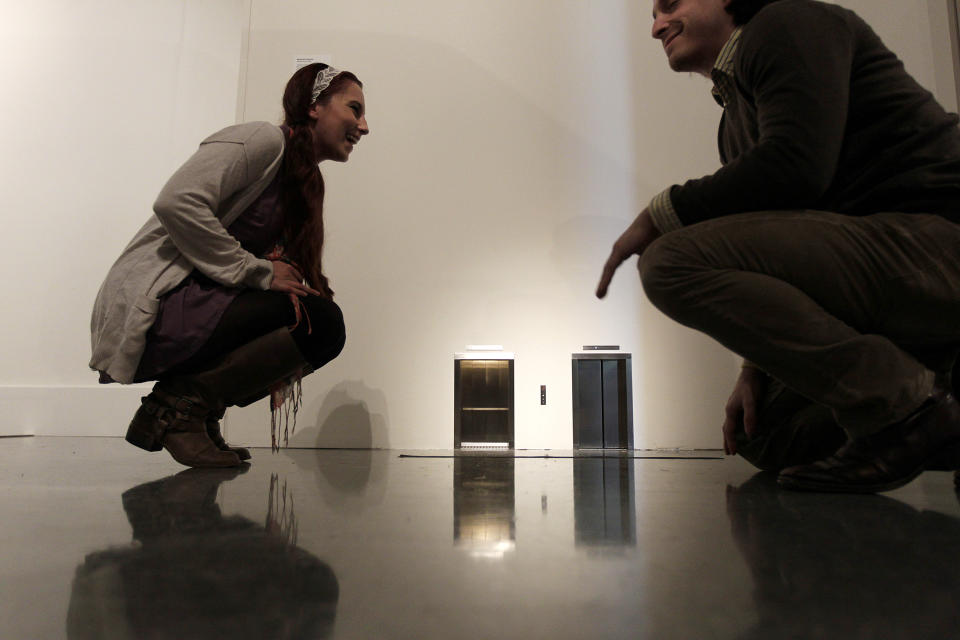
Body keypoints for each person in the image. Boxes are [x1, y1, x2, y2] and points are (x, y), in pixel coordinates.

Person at [596, 0, 960, 493]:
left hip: (936, 245)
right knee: (764, 434)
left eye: (669, 5)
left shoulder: (788, 23)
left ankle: (909, 411)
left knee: (670, 260)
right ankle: (939, 406)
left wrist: (660, 212)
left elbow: (796, 168)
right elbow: (786, 245)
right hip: (881, 275)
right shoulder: (735, 125)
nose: (657, 26)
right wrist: (757, 366)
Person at [90, 63, 369, 468]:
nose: (363, 126)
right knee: (315, 320)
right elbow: (176, 202)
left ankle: (194, 411)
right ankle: (176, 412)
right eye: (354, 109)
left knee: (322, 324)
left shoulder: (305, 181)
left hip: (205, 302)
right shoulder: (261, 139)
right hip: (162, 300)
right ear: (315, 107)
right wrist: (258, 271)